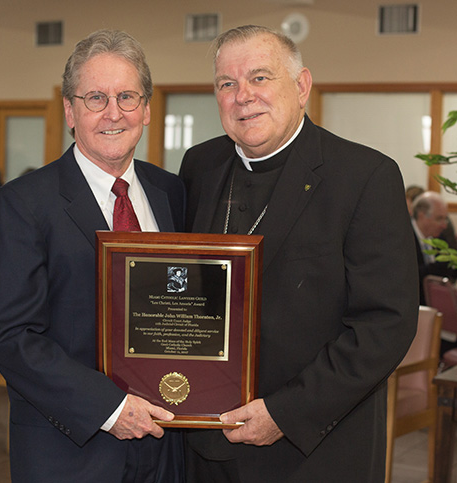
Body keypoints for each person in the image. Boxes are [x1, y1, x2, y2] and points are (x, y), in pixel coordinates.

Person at [179, 25, 418, 482]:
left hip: (311, 449)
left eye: (260, 78)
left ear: (302, 85)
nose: (242, 96)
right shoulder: (199, 166)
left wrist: (284, 413)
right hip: (204, 444)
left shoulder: (363, 175)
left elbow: (386, 324)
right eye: (226, 84)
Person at [0, 30, 185, 483]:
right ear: (70, 111)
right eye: (96, 97)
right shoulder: (22, 204)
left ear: (147, 109)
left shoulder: (172, 192)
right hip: (71, 452)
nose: (113, 112)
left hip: (169, 446)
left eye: (127, 97)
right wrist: (111, 408)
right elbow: (11, 336)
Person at [412, 190, 457, 304]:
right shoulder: (405, 237)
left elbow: (449, 271)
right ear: (422, 216)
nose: (444, 225)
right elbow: (410, 276)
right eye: (439, 219)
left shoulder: (440, 238)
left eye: (445, 218)